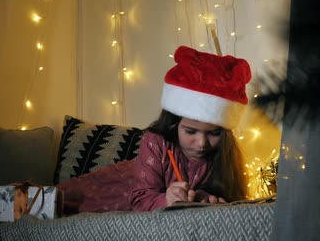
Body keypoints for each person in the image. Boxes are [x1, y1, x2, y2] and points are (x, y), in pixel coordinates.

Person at [56, 45, 252, 214]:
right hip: (120, 185)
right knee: (59, 198)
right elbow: (140, 199)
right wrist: (167, 200)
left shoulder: (225, 152)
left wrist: (204, 198)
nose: (201, 143)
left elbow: (230, 200)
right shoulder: (155, 141)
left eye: (214, 133)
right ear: (174, 124)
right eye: (190, 131)